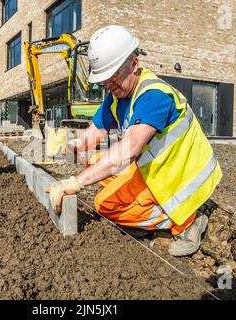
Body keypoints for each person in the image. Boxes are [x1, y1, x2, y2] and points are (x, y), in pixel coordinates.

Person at [46, 26, 222, 257]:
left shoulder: (153, 95)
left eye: (114, 76)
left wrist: (75, 183)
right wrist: (74, 147)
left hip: (180, 178)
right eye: (104, 81)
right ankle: (146, 215)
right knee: (95, 162)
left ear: (135, 63)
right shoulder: (117, 96)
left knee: (104, 205)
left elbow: (129, 149)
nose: (109, 85)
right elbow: (95, 130)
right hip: (156, 170)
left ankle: (187, 220)